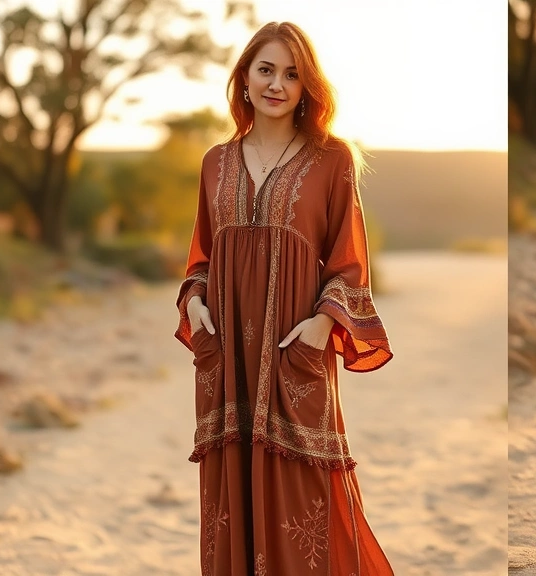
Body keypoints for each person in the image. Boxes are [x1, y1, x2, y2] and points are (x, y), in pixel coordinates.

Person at [174, 22, 394, 575]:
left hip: (294, 349)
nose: (277, 84)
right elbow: (199, 259)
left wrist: (323, 324)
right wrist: (196, 303)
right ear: (244, 79)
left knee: (305, 499)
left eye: (292, 74)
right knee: (231, 498)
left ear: (307, 87)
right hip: (226, 358)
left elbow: (349, 261)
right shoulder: (215, 163)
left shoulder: (331, 159)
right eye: (266, 70)